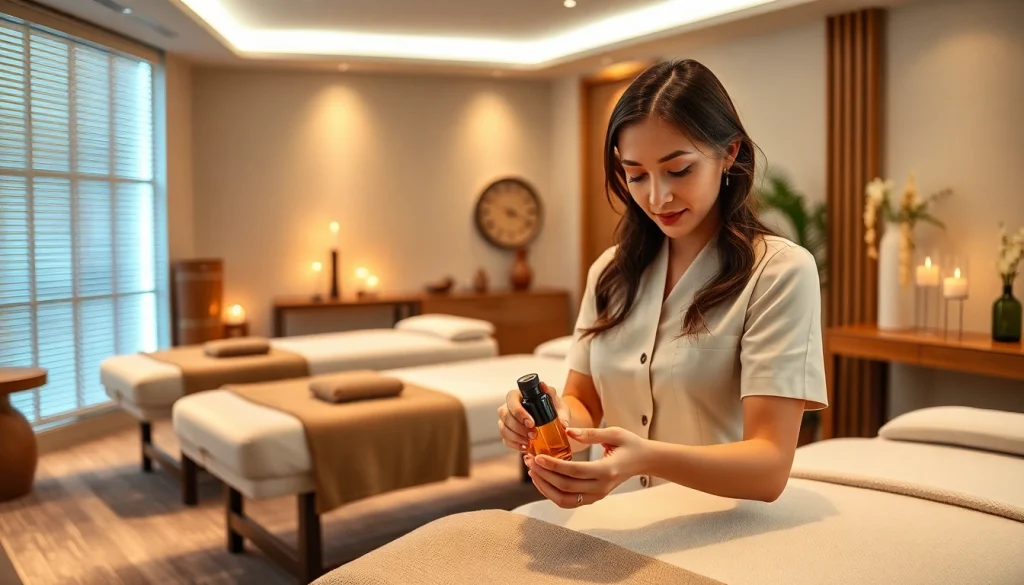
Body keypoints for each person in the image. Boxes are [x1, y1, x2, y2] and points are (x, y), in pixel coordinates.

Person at [497, 59, 827, 509]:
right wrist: (547, 419)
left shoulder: (778, 273)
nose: (657, 197)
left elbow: (768, 467)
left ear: (729, 153)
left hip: (722, 529)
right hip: (613, 522)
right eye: (636, 175)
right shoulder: (610, 273)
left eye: (679, 170)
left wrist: (644, 459)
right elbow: (584, 405)